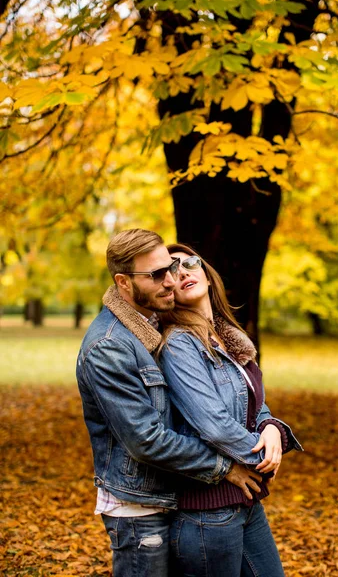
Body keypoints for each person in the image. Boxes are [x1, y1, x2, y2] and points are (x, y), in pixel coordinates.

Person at [76, 229, 270, 577]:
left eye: (172, 268)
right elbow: (146, 440)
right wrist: (229, 467)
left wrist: (272, 428)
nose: (171, 280)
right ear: (123, 282)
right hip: (140, 510)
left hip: (174, 495)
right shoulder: (109, 346)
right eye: (158, 274)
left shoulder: (150, 325)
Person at [158, 244, 303, 577]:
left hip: (245, 501)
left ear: (207, 273)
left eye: (189, 263)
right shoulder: (179, 344)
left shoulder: (228, 337)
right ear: (166, 291)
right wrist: (263, 459)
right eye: (170, 270)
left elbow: (256, 404)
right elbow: (214, 425)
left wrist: (273, 430)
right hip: (208, 513)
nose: (182, 272)